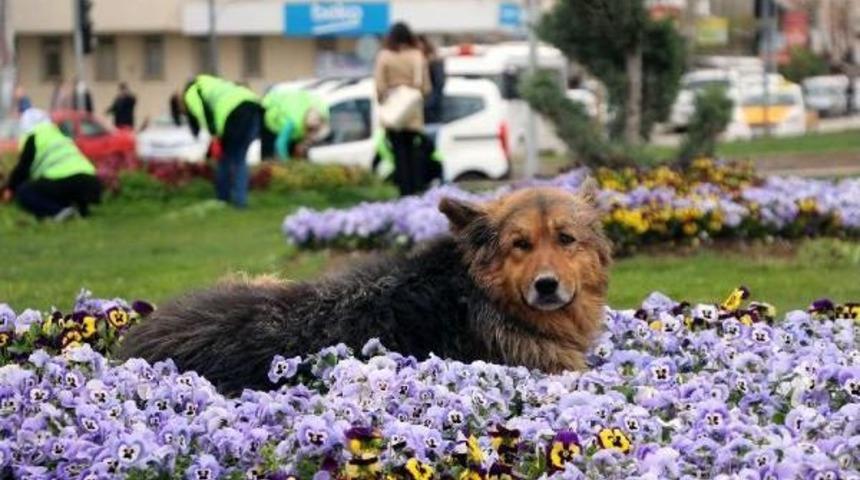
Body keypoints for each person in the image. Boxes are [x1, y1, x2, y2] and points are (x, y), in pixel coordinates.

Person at [1, 108, 102, 220]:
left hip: (66, 181)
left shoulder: (33, 137)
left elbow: (22, 170)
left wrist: (9, 188)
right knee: (54, 187)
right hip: (91, 183)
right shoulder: (59, 134)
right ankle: (80, 210)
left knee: (25, 191)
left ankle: (58, 212)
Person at [181, 74, 261, 208]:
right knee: (239, 158)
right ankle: (238, 199)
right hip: (253, 105)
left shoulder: (191, 91)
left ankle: (225, 198)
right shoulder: (210, 82)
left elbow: (201, 113)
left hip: (233, 113)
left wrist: (213, 134)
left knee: (228, 159)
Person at [373, 22, 431, 196]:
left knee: (399, 154)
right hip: (412, 113)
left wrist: (385, 99)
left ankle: (403, 193)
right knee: (414, 153)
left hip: (393, 112)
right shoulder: (417, 56)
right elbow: (426, 87)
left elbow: (379, 85)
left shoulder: (384, 56)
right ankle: (416, 193)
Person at [260, 88, 330, 161]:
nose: (316, 122)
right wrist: (286, 162)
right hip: (268, 108)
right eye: (316, 119)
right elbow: (280, 143)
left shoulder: (317, 115)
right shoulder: (293, 122)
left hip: (281, 103)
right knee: (269, 151)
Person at [418, 35, 446, 125]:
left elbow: (439, 84)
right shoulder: (417, 62)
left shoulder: (434, 61)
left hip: (431, 112)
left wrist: (426, 104)